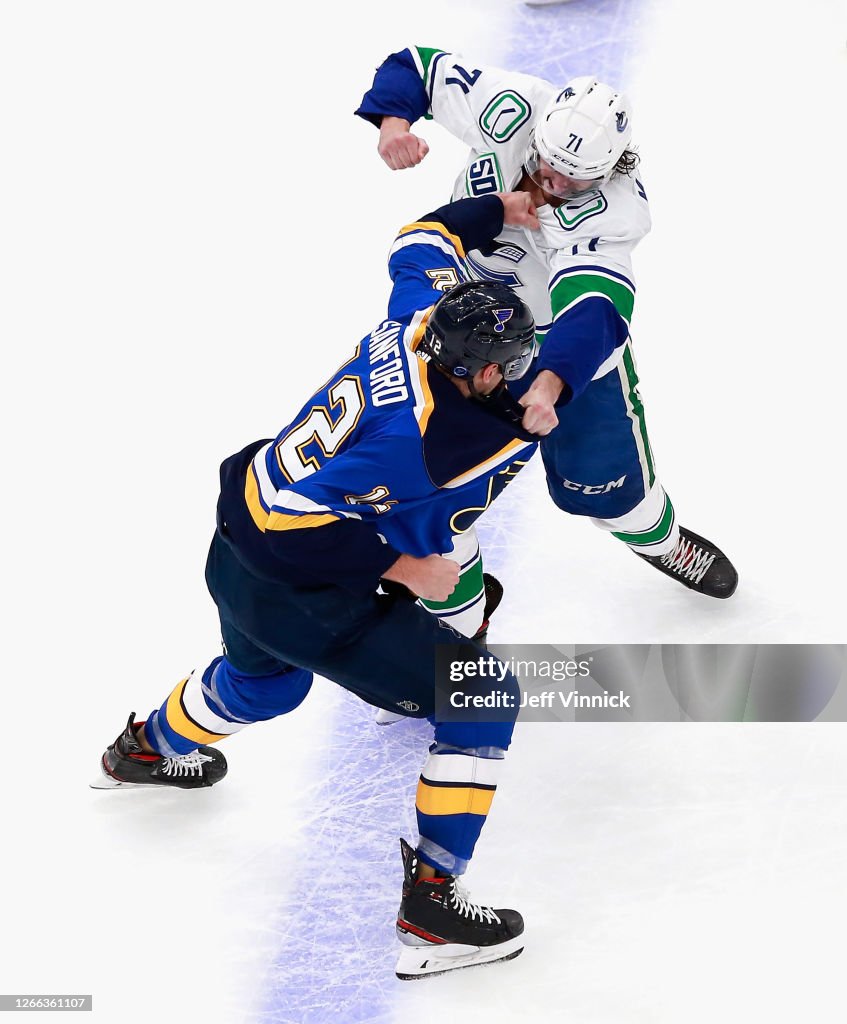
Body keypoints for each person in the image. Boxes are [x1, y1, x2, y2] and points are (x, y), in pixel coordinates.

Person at [91, 191, 548, 979]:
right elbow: (292, 523)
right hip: (292, 573)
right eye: (505, 370)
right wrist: (404, 569)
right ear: (475, 367)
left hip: (231, 550)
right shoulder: (434, 443)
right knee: (484, 696)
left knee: (261, 687)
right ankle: (433, 907)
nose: (512, 379)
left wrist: (502, 205)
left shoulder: (413, 315)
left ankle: (144, 750)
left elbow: (422, 235)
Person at [355, 48, 739, 600]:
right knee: (414, 484)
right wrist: (394, 123)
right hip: (457, 325)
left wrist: (552, 380)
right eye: (545, 166)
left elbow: (593, 310)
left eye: (572, 181)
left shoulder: (615, 212)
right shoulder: (513, 106)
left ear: (612, 169)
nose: (551, 184)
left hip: (551, 345)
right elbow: (416, 66)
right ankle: (458, 612)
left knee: (606, 487)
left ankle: (659, 539)